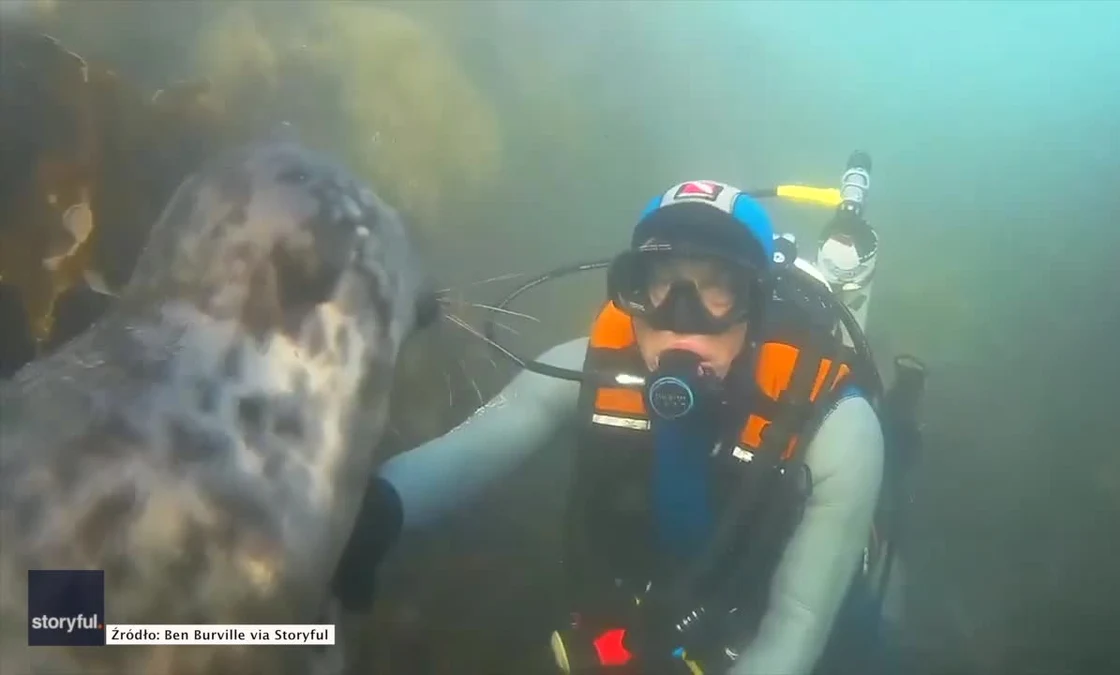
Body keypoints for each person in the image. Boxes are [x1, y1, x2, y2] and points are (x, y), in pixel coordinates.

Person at [334, 160, 919, 674]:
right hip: (660, 611)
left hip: (779, 613)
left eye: (720, 290)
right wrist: (368, 518)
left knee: (865, 640)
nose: (682, 320)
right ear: (629, 294)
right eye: (661, 286)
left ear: (759, 308)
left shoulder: (837, 429)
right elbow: (469, 449)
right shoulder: (583, 369)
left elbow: (796, 627)